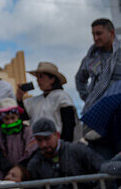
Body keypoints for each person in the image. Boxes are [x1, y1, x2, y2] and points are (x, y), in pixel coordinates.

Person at [76, 18, 121, 156]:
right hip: (98, 117)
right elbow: (80, 79)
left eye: (99, 33)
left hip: (119, 114)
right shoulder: (90, 58)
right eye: (93, 34)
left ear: (111, 33)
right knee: (104, 161)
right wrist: (89, 98)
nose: (96, 38)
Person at [25, 117, 102, 183]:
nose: (44, 144)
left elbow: (101, 167)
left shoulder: (78, 151)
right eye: (39, 140)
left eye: (47, 138)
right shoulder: (34, 164)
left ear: (57, 135)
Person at [19, 61, 76, 142]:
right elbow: (23, 116)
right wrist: (19, 97)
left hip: (57, 143)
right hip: (37, 144)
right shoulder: (34, 100)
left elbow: (68, 125)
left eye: (41, 77)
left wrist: (64, 145)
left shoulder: (62, 97)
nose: (38, 80)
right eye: (37, 77)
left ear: (52, 79)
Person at [0, 98, 35, 176]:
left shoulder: (27, 131)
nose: (10, 122)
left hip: (24, 172)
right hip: (5, 173)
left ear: (18, 116)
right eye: (6, 119)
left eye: (13, 118)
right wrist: (8, 168)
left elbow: (32, 150)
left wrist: (20, 168)